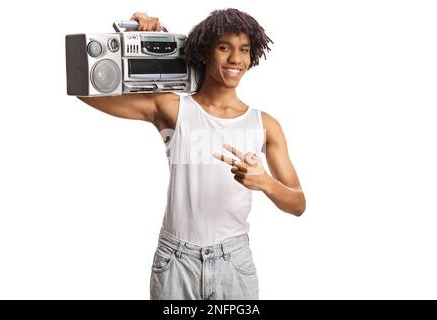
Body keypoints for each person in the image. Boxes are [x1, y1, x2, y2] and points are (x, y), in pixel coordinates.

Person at [77, 8, 306, 300]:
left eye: (244, 50)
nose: (236, 59)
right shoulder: (173, 109)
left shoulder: (265, 125)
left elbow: (298, 204)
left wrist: (265, 182)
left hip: (233, 262)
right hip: (176, 261)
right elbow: (84, 90)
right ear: (204, 52)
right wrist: (133, 42)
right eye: (224, 48)